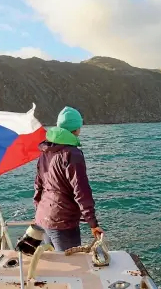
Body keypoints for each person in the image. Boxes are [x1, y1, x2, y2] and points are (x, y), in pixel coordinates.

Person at [33, 106, 104, 251]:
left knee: (55, 265)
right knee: (71, 267)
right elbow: (81, 191)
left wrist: (40, 210)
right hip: (62, 222)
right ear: (76, 129)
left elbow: (38, 186)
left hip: (43, 217)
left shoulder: (45, 151)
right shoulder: (73, 154)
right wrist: (93, 223)